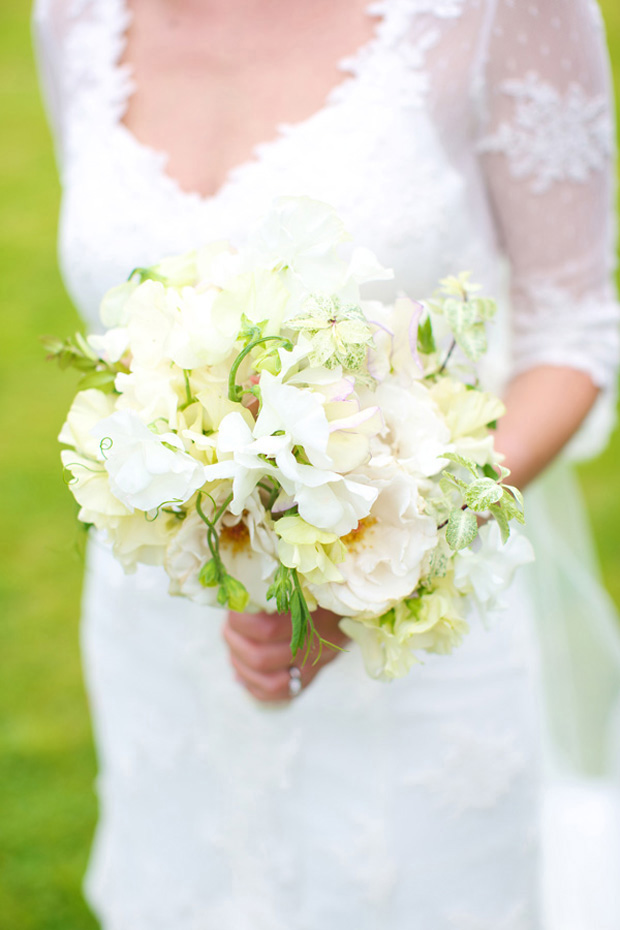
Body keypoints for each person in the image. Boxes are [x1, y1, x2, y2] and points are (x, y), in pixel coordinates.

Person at [32, 0, 620, 927]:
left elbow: (573, 329)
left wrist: (377, 560)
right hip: (163, 631)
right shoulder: (75, 19)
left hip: (407, 625)